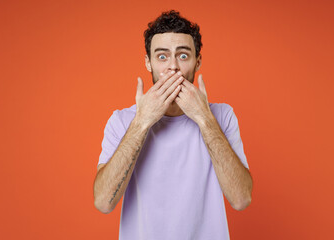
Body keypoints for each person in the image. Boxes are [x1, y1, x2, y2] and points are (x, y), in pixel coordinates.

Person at [93, 10, 253, 240]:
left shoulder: (222, 116)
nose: (173, 67)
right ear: (148, 62)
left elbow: (241, 199)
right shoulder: (122, 121)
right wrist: (142, 122)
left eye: (184, 56)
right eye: (162, 57)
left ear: (198, 61)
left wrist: (204, 118)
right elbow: (103, 203)